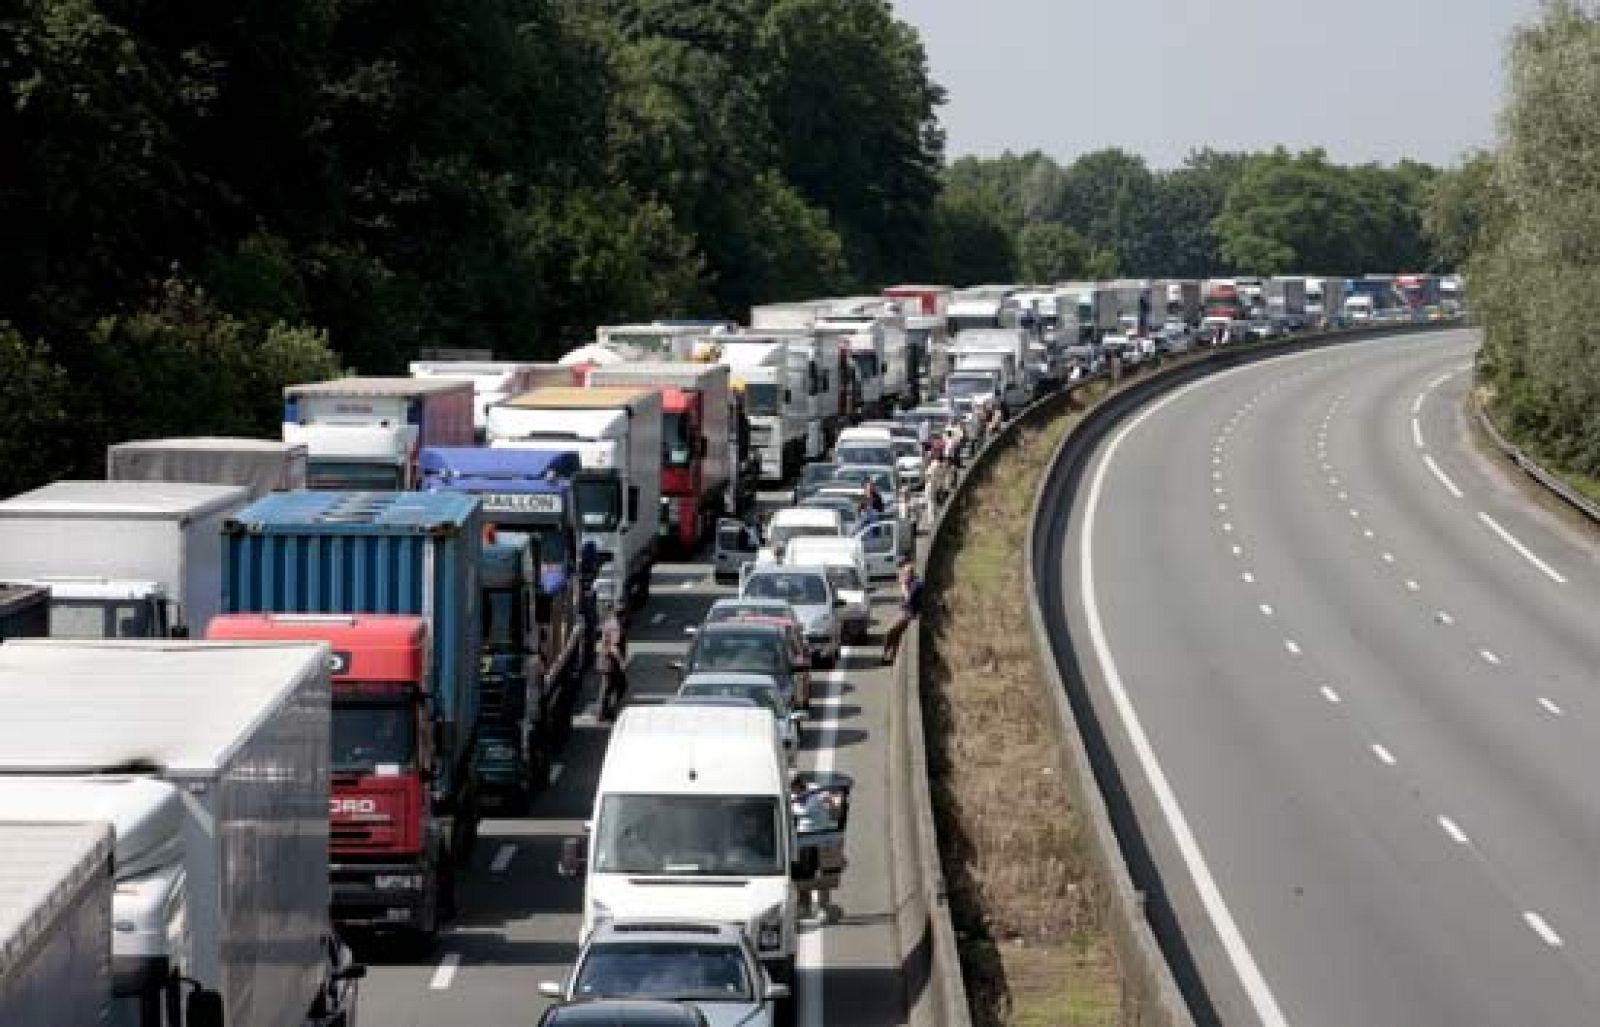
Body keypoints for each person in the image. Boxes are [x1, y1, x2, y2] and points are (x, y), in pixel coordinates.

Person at [881, 558, 923, 664]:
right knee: (896, 634)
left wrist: (903, 585)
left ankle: (886, 655)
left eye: (906, 573)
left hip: (909, 613)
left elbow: (908, 598)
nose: (904, 575)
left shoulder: (916, 584)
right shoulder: (910, 581)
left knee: (890, 631)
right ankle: (890, 657)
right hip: (903, 611)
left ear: (911, 573)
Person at [597, 609, 628, 721]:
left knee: (608, 687)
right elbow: (613, 647)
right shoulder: (616, 628)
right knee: (620, 686)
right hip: (611, 664)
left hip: (606, 662)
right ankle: (608, 711)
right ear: (622, 616)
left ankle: (603, 712)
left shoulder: (609, 622)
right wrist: (621, 662)